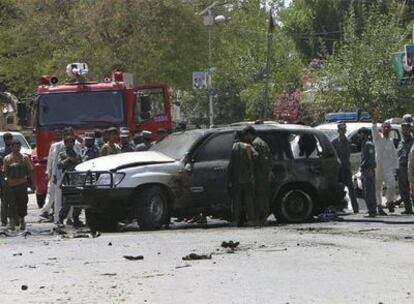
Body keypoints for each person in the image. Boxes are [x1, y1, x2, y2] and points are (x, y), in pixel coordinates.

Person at [243, 125, 272, 225]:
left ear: (249, 134)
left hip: (260, 175)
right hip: (263, 174)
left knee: (260, 197)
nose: (245, 139)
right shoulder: (262, 142)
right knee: (264, 196)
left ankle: (261, 219)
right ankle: (263, 218)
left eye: (246, 136)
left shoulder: (256, 144)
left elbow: (263, 160)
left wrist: (267, 172)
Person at [51, 127, 82, 224]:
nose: (69, 144)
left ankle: (76, 218)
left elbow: (80, 162)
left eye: (71, 142)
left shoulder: (76, 152)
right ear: (65, 143)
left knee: (78, 200)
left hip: (76, 178)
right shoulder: (62, 153)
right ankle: (61, 217)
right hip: (67, 179)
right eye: (67, 142)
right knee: (67, 200)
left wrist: (73, 159)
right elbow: (59, 165)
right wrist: (68, 160)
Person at [3, 140, 33, 230]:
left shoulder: (25, 158)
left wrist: (33, 184)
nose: (17, 149)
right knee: (11, 204)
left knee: (23, 203)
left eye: (18, 147)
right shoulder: (7, 158)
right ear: (11, 147)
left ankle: (22, 220)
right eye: (15, 147)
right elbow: (4, 172)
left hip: (22, 184)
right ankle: (11, 222)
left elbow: (30, 170)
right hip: (11, 185)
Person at [229, 130, 257, 226]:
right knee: (248, 200)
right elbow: (255, 155)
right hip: (247, 178)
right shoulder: (247, 146)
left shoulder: (231, 148)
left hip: (235, 178)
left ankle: (235, 221)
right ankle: (251, 220)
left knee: (236, 201)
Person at [372, 113, 399, 215]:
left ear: (390, 129)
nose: (386, 128)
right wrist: (374, 121)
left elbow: (394, 155)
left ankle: (389, 201)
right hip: (378, 167)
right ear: (382, 129)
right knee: (377, 188)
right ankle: (379, 206)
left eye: (388, 127)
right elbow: (374, 129)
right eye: (385, 127)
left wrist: (396, 167)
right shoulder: (378, 138)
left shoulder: (391, 141)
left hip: (388, 167)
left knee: (391, 185)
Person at [332, 122, 359, 213]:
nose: (343, 130)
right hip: (338, 169)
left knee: (351, 189)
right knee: (339, 189)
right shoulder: (334, 142)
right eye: (341, 129)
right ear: (338, 130)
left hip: (347, 168)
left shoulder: (348, 142)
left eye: (344, 129)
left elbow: (349, 154)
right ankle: (339, 207)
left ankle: (356, 208)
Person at [39, 129, 63, 220]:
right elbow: (50, 160)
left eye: (59, 134)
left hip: (62, 173)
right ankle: (46, 210)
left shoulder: (67, 144)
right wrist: (48, 172)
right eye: (56, 134)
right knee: (51, 193)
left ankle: (54, 213)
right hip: (54, 174)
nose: (58, 135)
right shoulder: (53, 146)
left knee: (58, 196)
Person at [359, 127, 377, 217]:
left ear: (365, 134)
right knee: (366, 191)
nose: (360, 135)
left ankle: (372, 210)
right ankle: (371, 209)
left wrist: (371, 168)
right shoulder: (364, 144)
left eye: (361, 133)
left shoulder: (369, 144)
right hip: (364, 170)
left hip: (368, 169)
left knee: (369, 191)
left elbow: (371, 157)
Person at [396, 123, 414, 214]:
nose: (404, 131)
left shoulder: (413, 141)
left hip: (411, 168)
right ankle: (408, 209)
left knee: (413, 189)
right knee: (403, 190)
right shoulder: (401, 142)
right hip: (401, 169)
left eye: (406, 129)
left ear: (410, 130)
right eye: (403, 129)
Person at [0, 132, 13, 226]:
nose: (9, 140)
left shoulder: (16, 152)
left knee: (14, 201)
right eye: (7, 139)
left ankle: (12, 219)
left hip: (15, 180)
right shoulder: (2, 154)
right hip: (4, 180)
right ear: (4, 140)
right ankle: (4, 220)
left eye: (10, 138)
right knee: (4, 201)